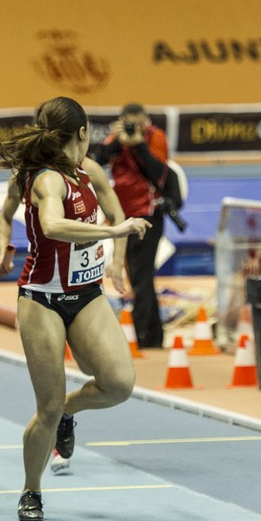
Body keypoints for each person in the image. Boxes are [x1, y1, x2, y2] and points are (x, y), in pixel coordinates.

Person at [0, 96, 150, 521]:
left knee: (118, 384)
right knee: (44, 407)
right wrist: (114, 229)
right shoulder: (46, 180)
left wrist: (116, 257)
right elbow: (52, 226)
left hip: (87, 293)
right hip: (42, 298)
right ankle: (31, 490)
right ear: (83, 132)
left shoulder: (91, 172)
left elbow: (115, 209)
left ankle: (70, 412)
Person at [91, 102, 170, 350]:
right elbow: (96, 160)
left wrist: (138, 143)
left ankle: (144, 335)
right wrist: (118, 141)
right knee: (137, 276)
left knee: (142, 277)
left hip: (147, 216)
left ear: (145, 120)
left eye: (137, 122)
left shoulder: (155, 137)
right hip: (123, 217)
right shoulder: (119, 136)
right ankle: (151, 334)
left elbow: (158, 171)